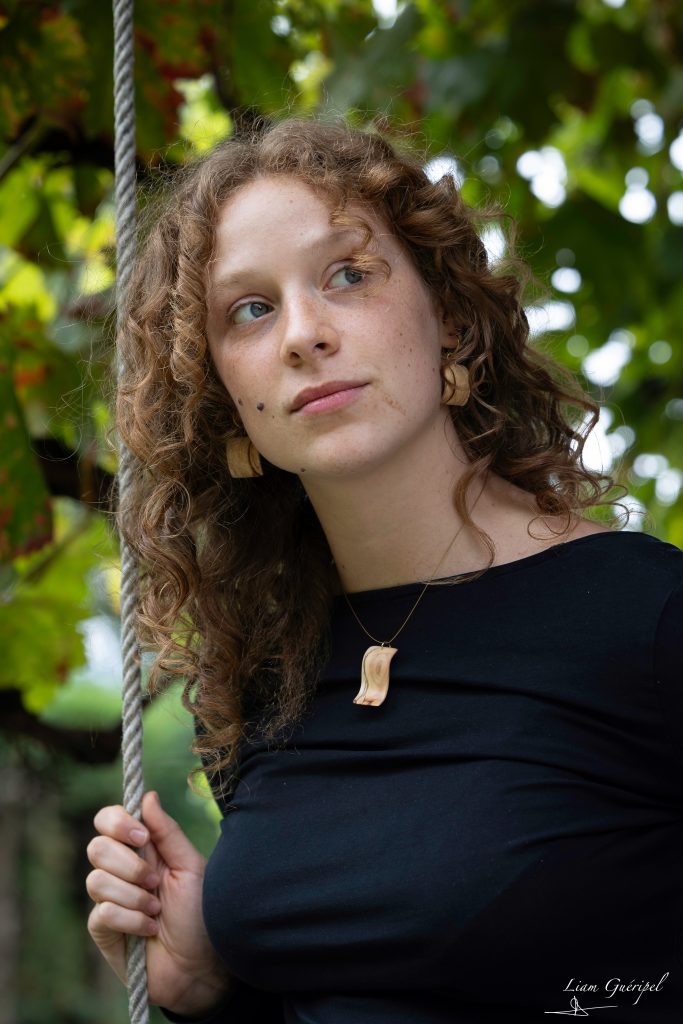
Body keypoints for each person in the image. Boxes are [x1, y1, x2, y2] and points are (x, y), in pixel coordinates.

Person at [85, 118, 683, 1024]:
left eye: (347, 275)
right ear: (222, 393)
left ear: (448, 316)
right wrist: (208, 990)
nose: (302, 334)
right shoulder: (261, 678)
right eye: (249, 309)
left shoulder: (648, 616)